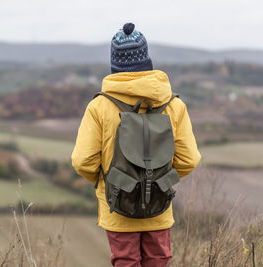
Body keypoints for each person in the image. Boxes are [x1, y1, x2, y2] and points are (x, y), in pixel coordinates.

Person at [71, 23, 201, 267]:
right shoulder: (174, 106)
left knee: (125, 262)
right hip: (159, 205)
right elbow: (189, 159)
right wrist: (160, 180)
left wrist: (109, 183)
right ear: (146, 60)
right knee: (158, 261)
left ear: (115, 63)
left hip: (118, 205)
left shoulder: (99, 107)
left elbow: (83, 161)